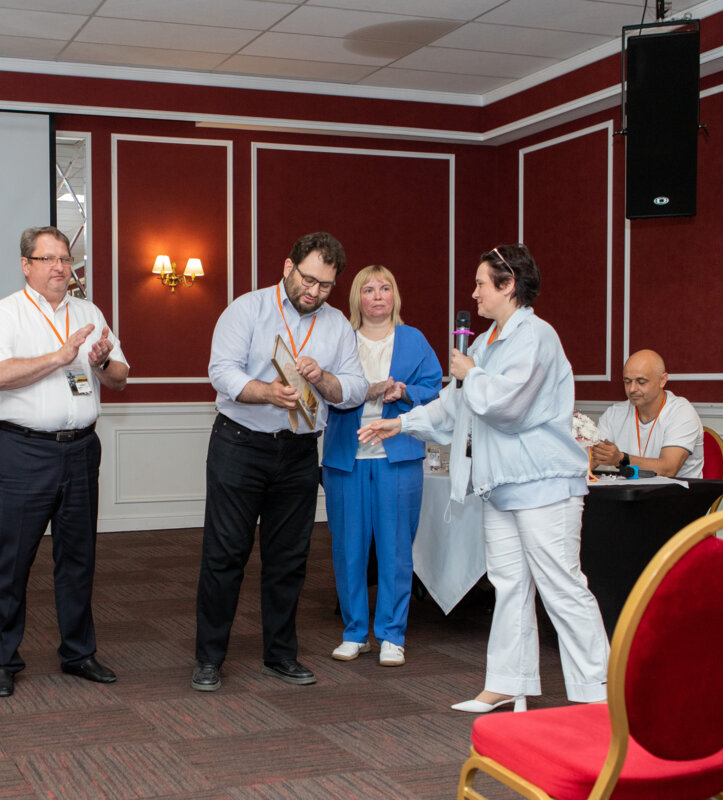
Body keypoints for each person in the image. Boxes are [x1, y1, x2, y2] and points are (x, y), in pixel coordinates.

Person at [363, 244, 609, 712]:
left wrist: (472, 374)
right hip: (500, 485)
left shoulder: (537, 337)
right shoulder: (483, 343)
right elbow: (455, 406)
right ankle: (508, 682)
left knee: (561, 586)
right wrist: (402, 423)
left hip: (543, 481)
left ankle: (598, 692)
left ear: (508, 285)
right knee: (509, 583)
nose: (474, 294)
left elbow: (509, 407)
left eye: (481, 284)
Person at [192, 232, 368, 692]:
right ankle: (209, 657)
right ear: (288, 267)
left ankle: (280, 655)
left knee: (288, 558)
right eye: (308, 279)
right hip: (240, 444)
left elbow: (352, 390)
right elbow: (222, 371)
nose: (314, 291)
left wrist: (322, 377)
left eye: (325, 285)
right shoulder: (247, 309)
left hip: (299, 452)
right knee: (226, 553)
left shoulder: (336, 326)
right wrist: (266, 392)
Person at [0, 226, 129, 698]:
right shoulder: (4, 313)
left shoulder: (89, 312)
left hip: (81, 449)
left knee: (79, 558)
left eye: (65, 258)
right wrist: (59, 356)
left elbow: (120, 377)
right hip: (25, 451)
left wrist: (100, 363)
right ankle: (3, 659)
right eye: (49, 259)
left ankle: (79, 653)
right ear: (26, 265)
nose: (61, 267)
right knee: (14, 559)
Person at [321, 265, 442, 667]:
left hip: (398, 456)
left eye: (385, 288)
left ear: (395, 296)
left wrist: (404, 391)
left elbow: (434, 389)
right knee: (348, 550)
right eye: (369, 289)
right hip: (346, 459)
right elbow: (321, 390)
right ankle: (355, 632)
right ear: (357, 298)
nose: (377, 296)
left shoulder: (414, 339)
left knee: (395, 551)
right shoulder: (340, 339)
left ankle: (392, 634)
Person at [592, 349, 704, 478]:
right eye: (627, 381)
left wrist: (621, 459)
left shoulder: (682, 412)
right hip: (631, 489)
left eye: (641, 382)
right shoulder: (614, 413)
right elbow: (591, 459)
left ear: (663, 380)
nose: (632, 389)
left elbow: (668, 469)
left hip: (677, 490)